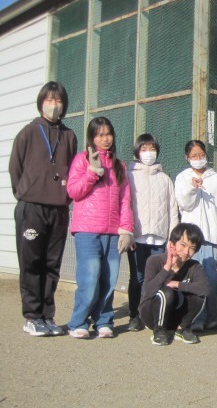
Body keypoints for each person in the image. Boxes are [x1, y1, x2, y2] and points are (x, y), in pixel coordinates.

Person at [9, 81, 77, 336]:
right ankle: (32, 316)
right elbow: (15, 168)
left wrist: (64, 197)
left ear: (64, 105)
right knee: (31, 262)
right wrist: (25, 193)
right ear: (41, 103)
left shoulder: (69, 135)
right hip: (32, 208)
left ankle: (47, 316)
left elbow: (72, 168)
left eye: (58, 100)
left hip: (58, 209)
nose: (53, 105)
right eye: (49, 99)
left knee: (51, 263)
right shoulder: (28, 132)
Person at [66, 117, 134, 339]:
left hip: (113, 232)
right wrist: (92, 172)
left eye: (108, 134)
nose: (105, 139)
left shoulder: (119, 165)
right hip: (87, 229)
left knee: (110, 278)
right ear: (92, 138)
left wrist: (126, 229)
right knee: (89, 277)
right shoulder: (81, 160)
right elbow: (73, 192)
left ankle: (104, 320)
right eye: (100, 135)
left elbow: (125, 199)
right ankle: (78, 322)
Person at [175, 140, 217, 333]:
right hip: (189, 239)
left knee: (211, 278)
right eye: (194, 156)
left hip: (210, 238)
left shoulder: (215, 178)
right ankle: (196, 318)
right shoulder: (182, 178)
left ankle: (211, 316)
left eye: (201, 155)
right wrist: (192, 188)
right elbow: (184, 204)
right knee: (192, 279)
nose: (198, 159)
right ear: (187, 158)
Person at [126, 134, 179, 332]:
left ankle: (156, 315)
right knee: (137, 278)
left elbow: (172, 210)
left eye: (152, 149)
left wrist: (172, 238)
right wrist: (128, 232)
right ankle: (135, 315)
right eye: (144, 149)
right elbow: (125, 205)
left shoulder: (165, 179)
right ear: (137, 152)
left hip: (159, 238)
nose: (148, 153)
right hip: (137, 237)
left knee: (159, 277)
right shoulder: (129, 176)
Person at [139, 223, 210, 346]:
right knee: (167, 292)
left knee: (199, 296)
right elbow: (148, 291)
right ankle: (159, 330)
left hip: (175, 317)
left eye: (192, 248)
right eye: (183, 245)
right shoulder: (154, 261)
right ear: (172, 244)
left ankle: (182, 328)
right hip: (151, 314)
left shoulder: (194, 266)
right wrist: (167, 268)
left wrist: (176, 284)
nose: (186, 252)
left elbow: (206, 289)